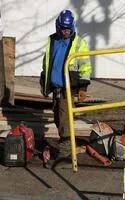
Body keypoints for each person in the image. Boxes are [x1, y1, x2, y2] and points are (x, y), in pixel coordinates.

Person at [39, 9, 91, 166]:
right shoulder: (53, 41)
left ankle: (66, 155)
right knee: (58, 119)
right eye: (64, 29)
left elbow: (85, 67)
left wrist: (83, 88)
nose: (66, 31)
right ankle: (65, 148)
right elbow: (47, 62)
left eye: (69, 29)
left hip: (68, 88)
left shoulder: (79, 43)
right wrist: (43, 81)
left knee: (65, 122)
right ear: (58, 27)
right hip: (56, 88)